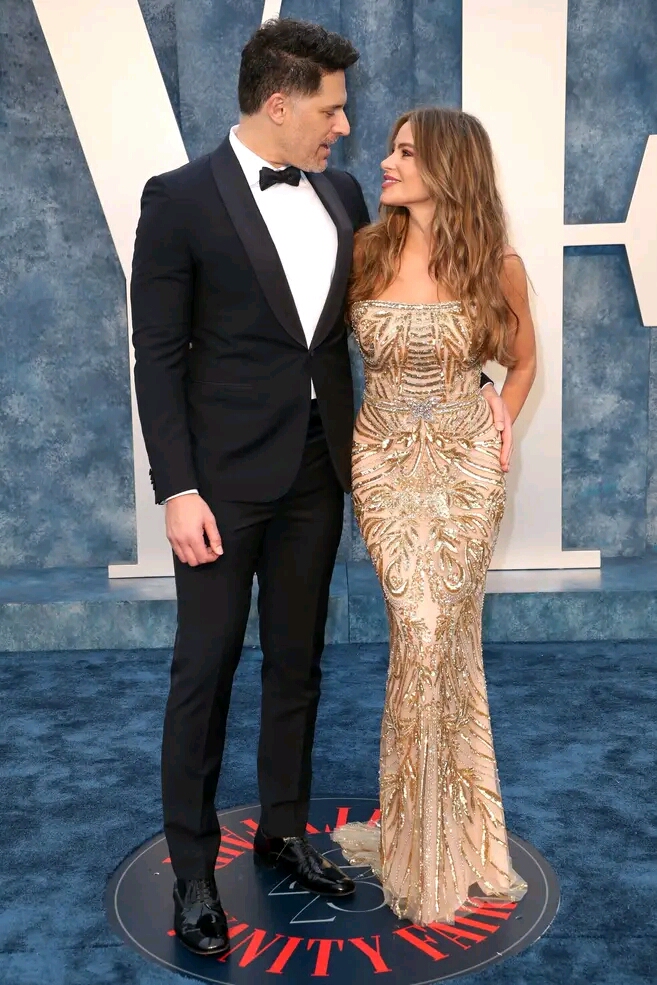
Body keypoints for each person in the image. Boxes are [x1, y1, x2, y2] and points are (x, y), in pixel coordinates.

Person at [131, 18, 509, 954]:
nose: (344, 127)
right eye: (333, 108)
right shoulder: (177, 199)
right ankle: (191, 873)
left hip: (323, 469)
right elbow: (156, 356)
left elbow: (421, 304)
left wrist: (487, 388)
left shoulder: (343, 195)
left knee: (297, 660)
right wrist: (176, 488)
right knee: (205, 667)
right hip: (218, 485)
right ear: (279, 102)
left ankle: (285, 829)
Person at [332, 107, 537, 926]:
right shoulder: (364, 253)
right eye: (389, 147)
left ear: (448, 167)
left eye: (404, 152)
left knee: (441, 637)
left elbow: (522, 361)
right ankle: (417, 829)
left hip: (464, 470)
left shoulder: (497, 264)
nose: (385, 160)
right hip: (382, 464)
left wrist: (501, 407)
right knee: (416, 631)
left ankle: (447, 831)